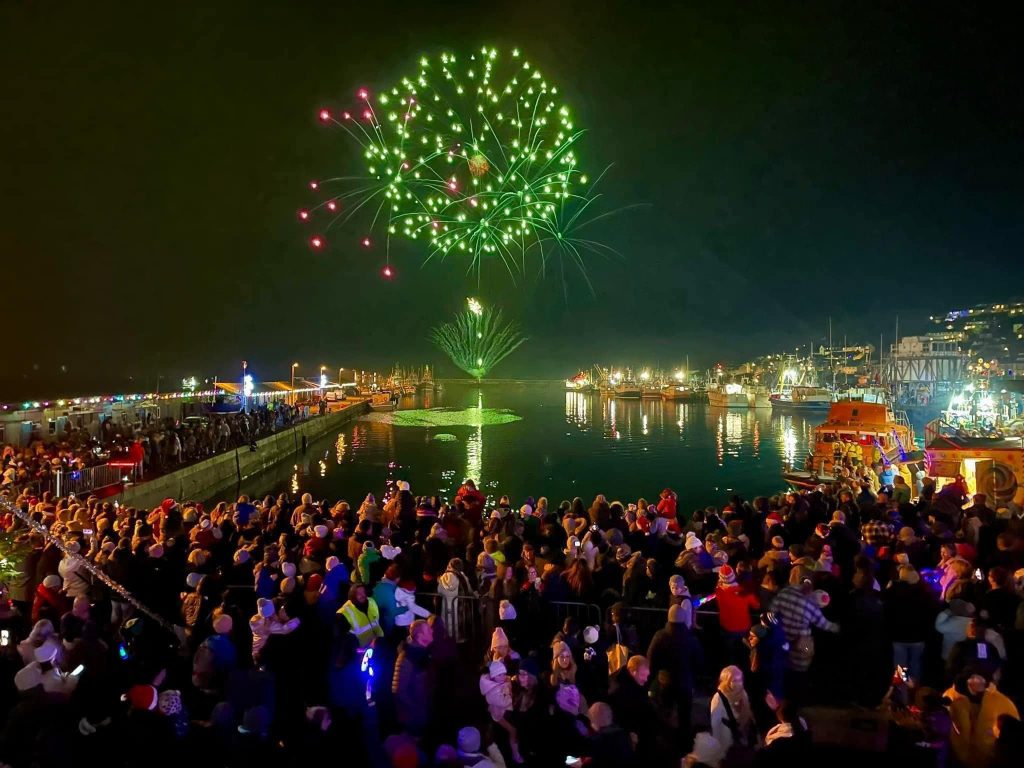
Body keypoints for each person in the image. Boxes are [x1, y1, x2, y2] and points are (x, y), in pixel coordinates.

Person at [949, 672, 1020, 768]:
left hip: (990, 760)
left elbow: (1014, 737)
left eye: (978, 676)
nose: (975, 680)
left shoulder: (1002, 703)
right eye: (971, 677)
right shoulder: (951, 698)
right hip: (955, 759)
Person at [391, 619, 434, 737]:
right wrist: (416, 712)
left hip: (423, 714)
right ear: (420, 636)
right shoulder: (407, 659)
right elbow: (399, 690)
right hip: (413, 721)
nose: (432, 631)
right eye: (428, 630)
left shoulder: (423, 655)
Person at [709, 665, 756, 758]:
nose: (739, 683)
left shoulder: (743, 694)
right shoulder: (718, 698)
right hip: (726, 742)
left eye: (740, 680)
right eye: (735, 680)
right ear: (726, 682)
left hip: (743, 741)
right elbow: (715, 724)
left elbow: (748, 714)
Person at [337, 583, 383, 650]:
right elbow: (344, 639)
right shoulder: (344, 613)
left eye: (363, 592)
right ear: (352, 595)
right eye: (358, 593)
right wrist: (356, 650)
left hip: (377, 642)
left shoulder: (371, 601)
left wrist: (377, 639)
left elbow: (378, 620)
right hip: (362, 650)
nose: (363, 595)